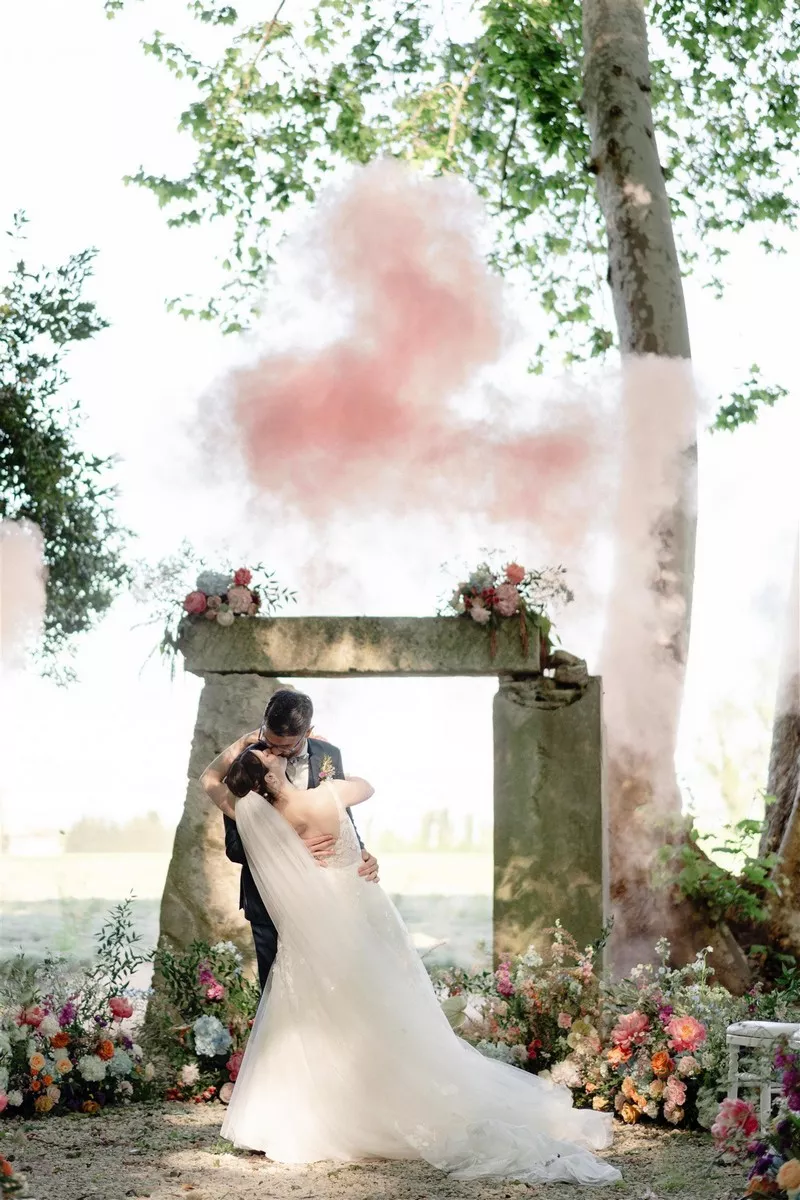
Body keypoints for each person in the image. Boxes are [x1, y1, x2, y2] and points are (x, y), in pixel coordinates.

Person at [214, 744, 622, 1187]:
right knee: (376, 1006)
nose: (272, 753)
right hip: (352, 908)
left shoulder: (267, 818)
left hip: (313, 923)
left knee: (320, 1011)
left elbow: (222, 792)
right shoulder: (320, 796)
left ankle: (310, 1113)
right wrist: (337, 802)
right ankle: (373, 1102)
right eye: (267, 756)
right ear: (269, 778)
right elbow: (364, 789)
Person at [199, 688, 379, 989]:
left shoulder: (329, 755)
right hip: (269, 898)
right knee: (277, 992)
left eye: (285, 746)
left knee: (333, 985)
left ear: (307, 732)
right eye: (269, 740)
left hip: (327, 897)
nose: (275, 751)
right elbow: (234, 847)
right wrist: (289, 850)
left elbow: (341, 816)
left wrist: (358, 851)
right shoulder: (248, 762)